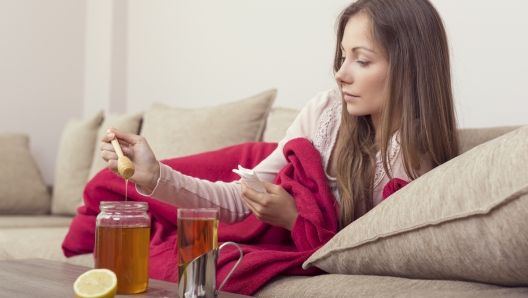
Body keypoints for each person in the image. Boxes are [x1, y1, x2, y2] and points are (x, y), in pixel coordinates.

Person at [100, 0, 459, 231]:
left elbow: (377, 253)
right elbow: (235, 199)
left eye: (361, 60)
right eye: (343, 56)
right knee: (108, 189)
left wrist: (294, 220)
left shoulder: (413, 164)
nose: (341, 73)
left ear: (409, 69)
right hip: (261, 163)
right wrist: (155, 174)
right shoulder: (325, 112)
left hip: (282, 213)